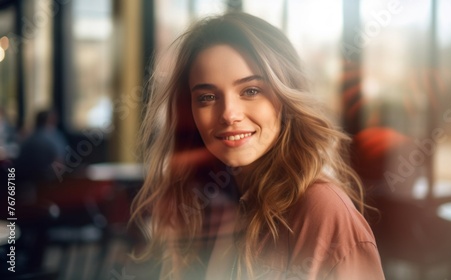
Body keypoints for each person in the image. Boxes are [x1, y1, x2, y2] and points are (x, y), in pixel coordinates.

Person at [131, 12, 385, 280]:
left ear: (286, 97)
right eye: (207, 97)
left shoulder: (321, 209)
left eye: (251, 91)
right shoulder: (210, 202)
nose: (229, 113)